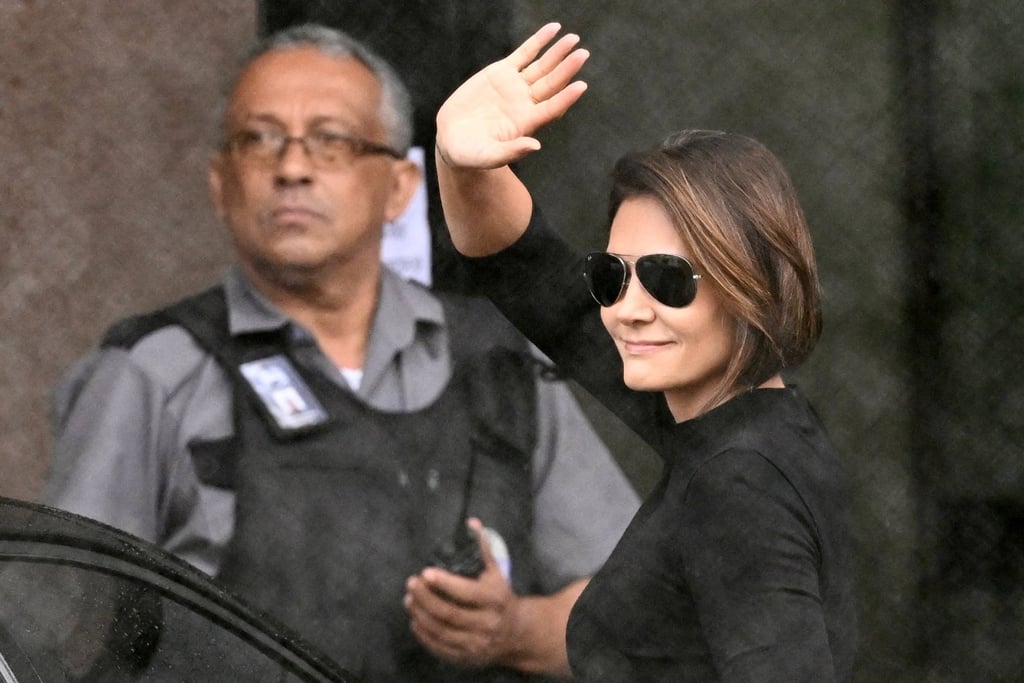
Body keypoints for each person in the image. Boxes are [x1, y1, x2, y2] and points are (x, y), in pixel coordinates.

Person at [42, 24, 639, 682]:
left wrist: (514, 630)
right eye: (260, 139)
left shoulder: (500, 359)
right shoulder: (149, 374)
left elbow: (639, 620)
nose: (292, 169)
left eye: (330, 141)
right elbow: (56, 638)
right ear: (219, 182)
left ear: (401, 186)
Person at [418, 22, 858, 682]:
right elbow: (523, 269)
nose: (628, 306)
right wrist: (458, 157)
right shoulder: (734, 421)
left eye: (668, 278)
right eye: (612, 276)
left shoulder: (741, 483)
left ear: (750, 288)